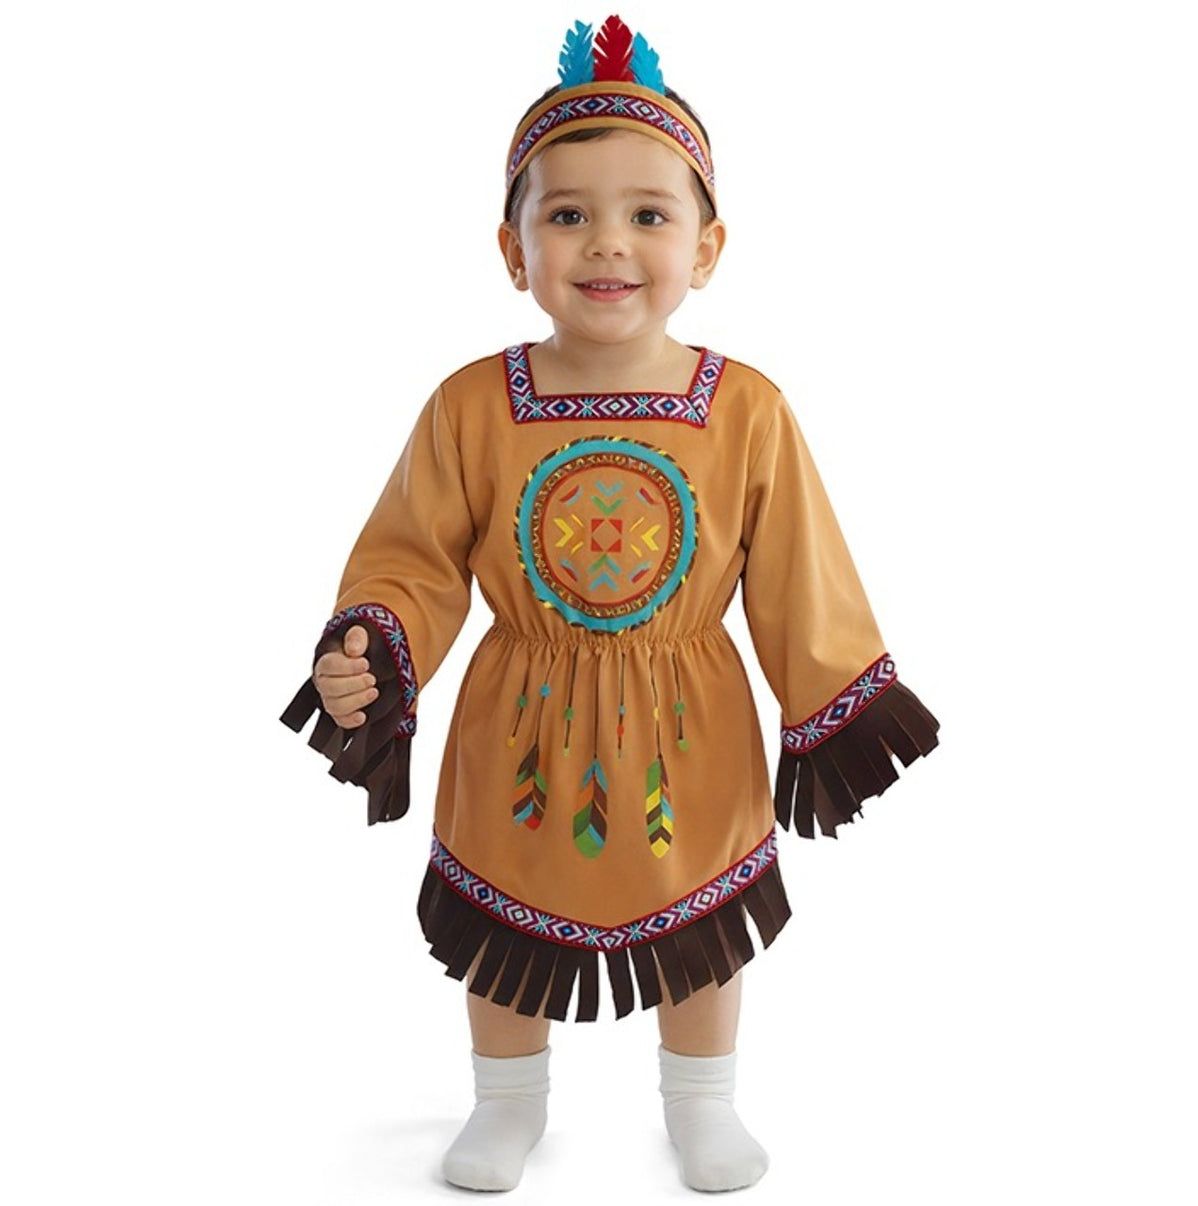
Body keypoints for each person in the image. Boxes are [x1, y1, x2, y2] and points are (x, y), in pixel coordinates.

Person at [281, 14, 939, 1194]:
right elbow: (415, 558)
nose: (608, 244)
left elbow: (801, 570)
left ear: (708, 244)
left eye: (649, 214)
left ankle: (701, 1101)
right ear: (512, 246)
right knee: (503, 916)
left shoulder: (745, 409)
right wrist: (376, 640)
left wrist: (836, 697)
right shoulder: (472, 405)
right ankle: (507, 1101)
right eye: (568, 214)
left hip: (690, 725)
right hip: (518, 723)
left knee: (702, 913)